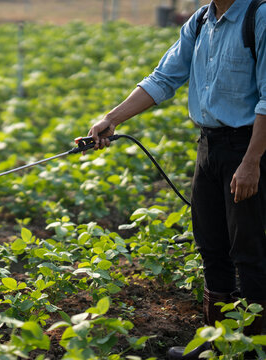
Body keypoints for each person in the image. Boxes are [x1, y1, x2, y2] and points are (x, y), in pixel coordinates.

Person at [86, 0, 266, 358]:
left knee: (250, 251)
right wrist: (113, 118)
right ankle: (216, 345)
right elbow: (163, 78)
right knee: (212, 246)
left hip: (249, 149)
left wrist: (252, 161)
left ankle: (252, 350)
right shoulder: (200, 21)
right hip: (210, 147)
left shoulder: (258, 17)